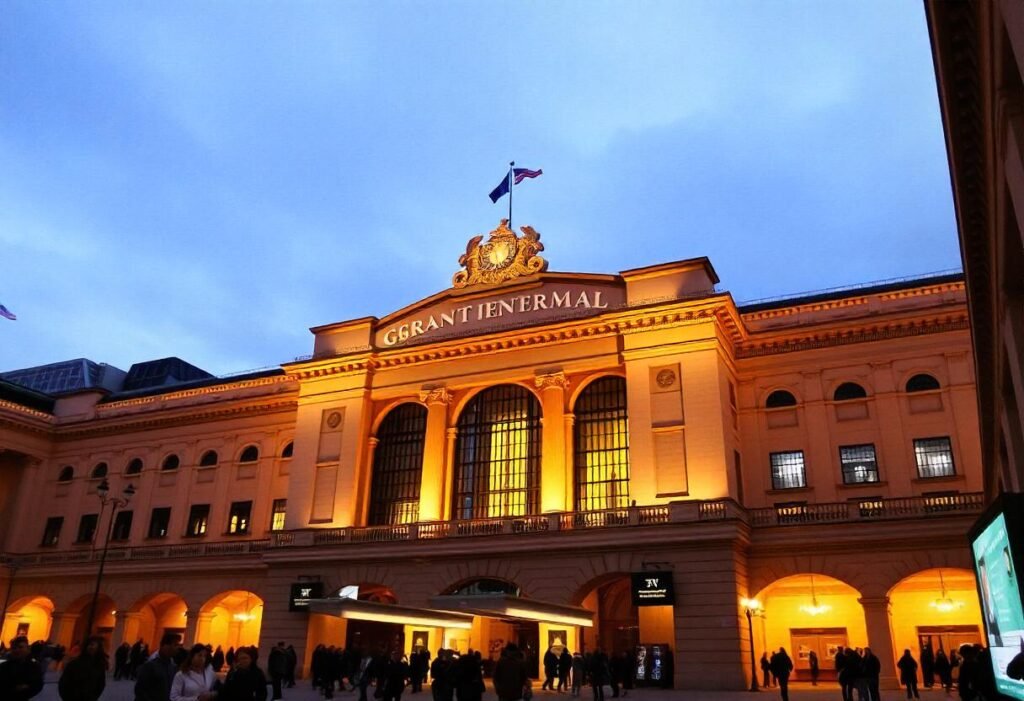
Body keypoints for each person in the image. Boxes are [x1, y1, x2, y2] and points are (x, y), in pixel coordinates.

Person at [58, 636, 108, 701]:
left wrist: (93, 697)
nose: (90, 647)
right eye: (88, 645)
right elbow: (63, 683)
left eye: (92, 644)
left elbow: (100, 684)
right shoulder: (74, 664)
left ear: (99, 648)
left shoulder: (99, 666)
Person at [136, 633, 182, 701]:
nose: (178, 648)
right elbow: (140, 691)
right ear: (165, 646)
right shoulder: (150, 666)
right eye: (175, 645)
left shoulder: (172, 667)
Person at [0, 636, 45, 701]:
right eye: (14, 648)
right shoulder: (4, 666)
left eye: (20, 647)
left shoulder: (34, 667)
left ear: (28, 649)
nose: (17, 650)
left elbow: (37, 686)